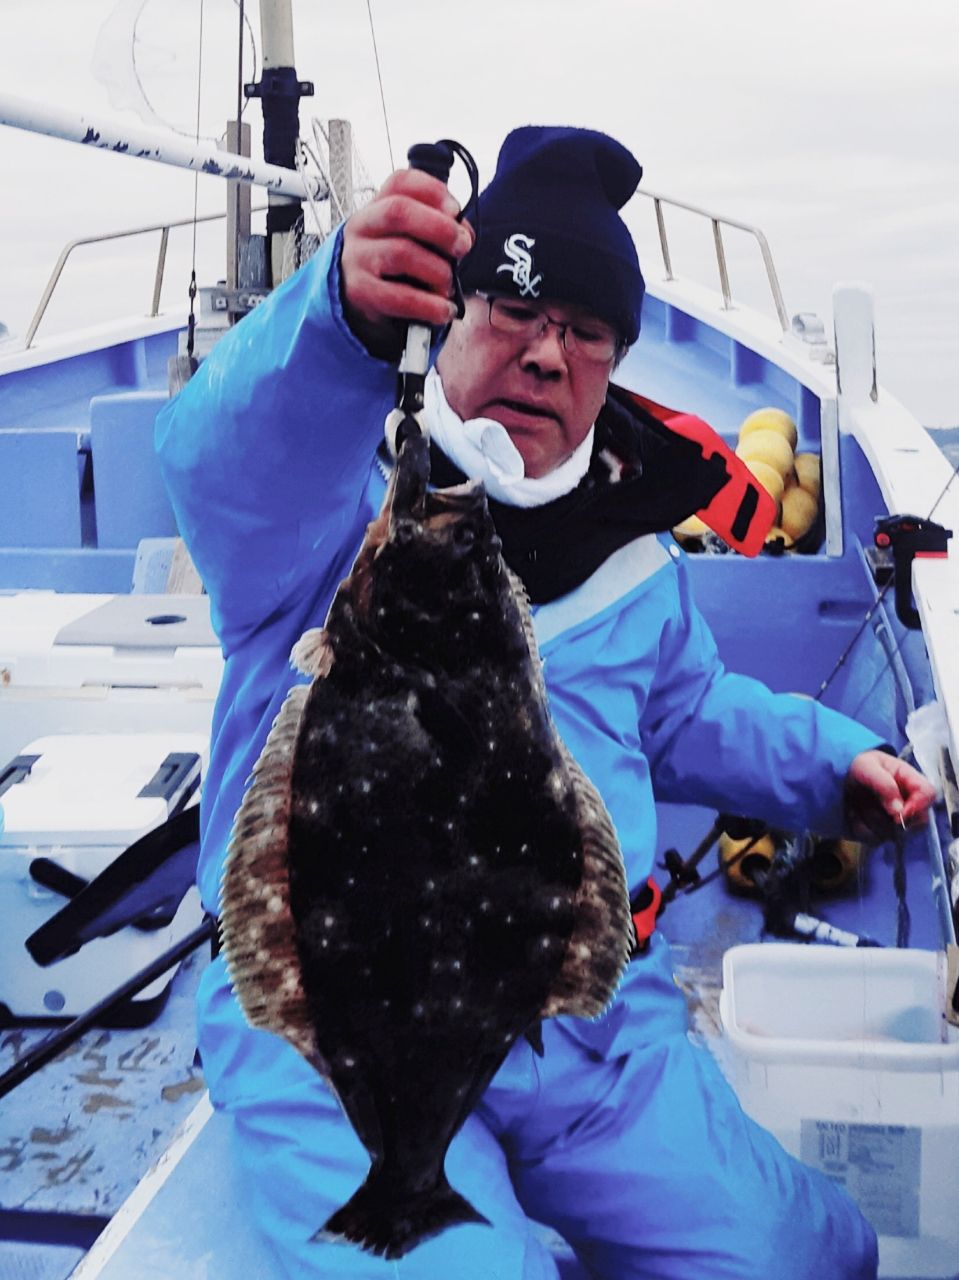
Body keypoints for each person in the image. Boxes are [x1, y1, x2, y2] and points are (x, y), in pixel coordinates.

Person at [156, 125, 935, 1280]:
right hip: (339, 1011)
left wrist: (833, 765)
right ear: (447, 317)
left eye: (582, 332)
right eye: (512, 310)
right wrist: (336, 322)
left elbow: (680, 712)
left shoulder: (628, 544)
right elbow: (226, 463)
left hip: (578, 1025)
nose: (543, 355)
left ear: (613, 360)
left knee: (797, 1253)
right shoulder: (329, 510)